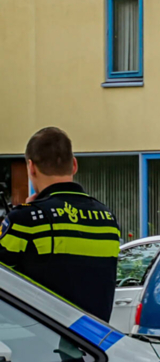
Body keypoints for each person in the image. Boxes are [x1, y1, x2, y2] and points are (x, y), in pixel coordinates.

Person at [0, 127, 121, 321]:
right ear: (74, 165)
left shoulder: (26, 220)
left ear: (31, 167)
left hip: (44, 343)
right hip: (97, 343)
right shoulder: (107, 219)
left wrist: (23, 213)